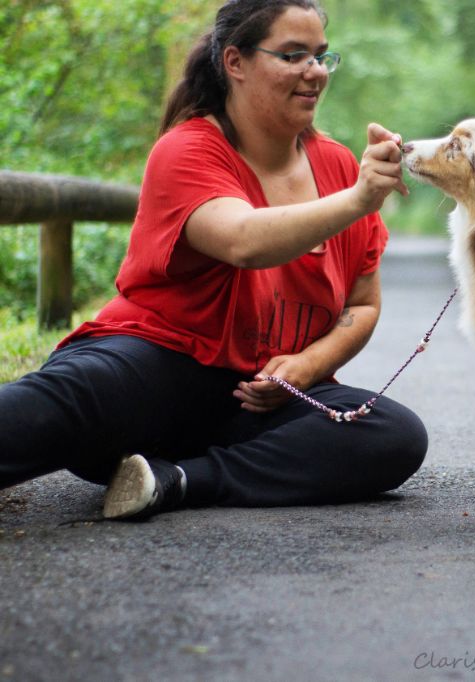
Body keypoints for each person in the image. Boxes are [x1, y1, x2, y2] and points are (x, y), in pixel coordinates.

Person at [0, 0, 428, 520]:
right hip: (154, 369)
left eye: (321, 55)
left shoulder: (337, 164)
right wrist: (358, 199)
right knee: (67, 398)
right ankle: (173, 462)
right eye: (293, 55)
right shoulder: (188, 149)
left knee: (393, 434)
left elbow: (362, 305)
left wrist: (309, 365)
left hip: (254, 403)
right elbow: (243, 240)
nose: (314, 72)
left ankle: (176, 480)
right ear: (235, 62)